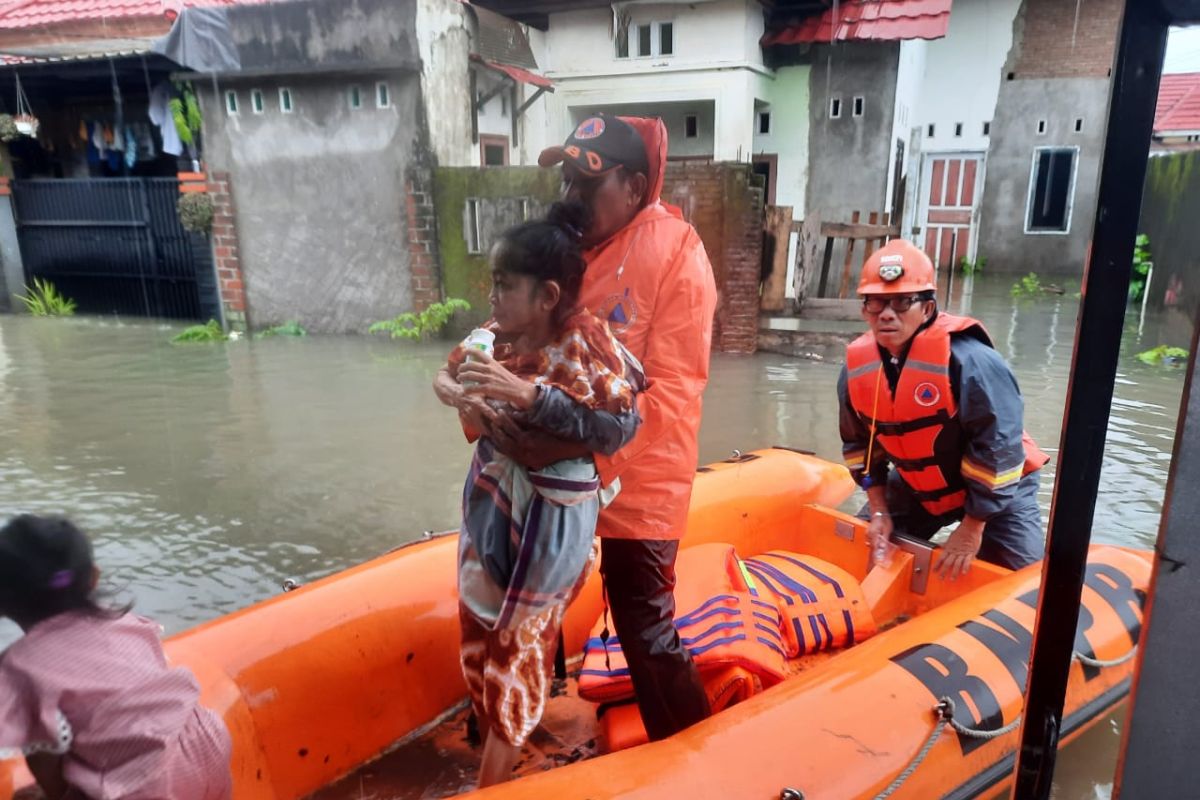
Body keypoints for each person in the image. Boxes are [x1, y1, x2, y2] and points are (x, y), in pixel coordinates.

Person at [485, 114, 718, 741]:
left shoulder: (678, 251)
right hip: (540, 465)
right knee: (521, 600)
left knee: (645, 625)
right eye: (567, 182)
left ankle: (694, 750)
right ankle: (528, 725)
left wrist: (584, 454)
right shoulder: (558, 251)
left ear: (636, 188)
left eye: (589, 186)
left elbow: (674, 388)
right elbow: (514, 344)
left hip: (638, 481)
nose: (572, 199)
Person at [433, 206, 642, 786]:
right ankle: (495, 736)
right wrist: (459, 396)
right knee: (478, 615)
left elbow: (620, 427)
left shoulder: (586, 345)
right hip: (494, 493)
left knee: (521, 636)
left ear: (548, 295)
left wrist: (529, 397)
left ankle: (492, 779)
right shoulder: (494, 335)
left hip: (555, 510)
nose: (492, 296)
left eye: (504, 285)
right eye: (493, 282)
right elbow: (445, 374)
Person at [838, 239, 1050, 578]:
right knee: (861, 546)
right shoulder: (855, 370)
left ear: (927, 308)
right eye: (876, 303)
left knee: (1024, 585)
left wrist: (971, 529)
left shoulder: (973, 363)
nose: (887, 314)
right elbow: (859, 449)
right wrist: (880, 511)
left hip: (999, 491)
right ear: (864, 310)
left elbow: (1000, 451)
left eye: (902, 302)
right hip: (920, 485)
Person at [0, 514, 232, 800]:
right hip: (206, 745)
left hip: (144, 789)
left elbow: (42, 757)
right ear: (94, 578)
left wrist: (58, 794)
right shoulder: (126, 623)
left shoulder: (21, 668)